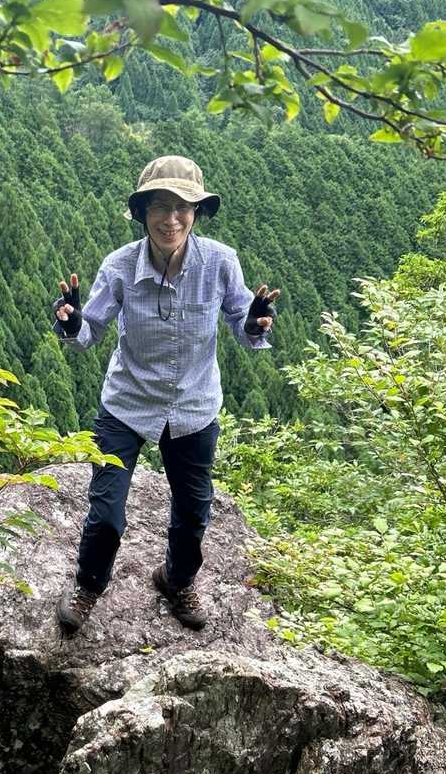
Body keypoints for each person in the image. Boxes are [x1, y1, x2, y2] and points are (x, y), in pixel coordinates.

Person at [52, 155, 278, 634]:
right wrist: (71, 323)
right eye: (160, 206)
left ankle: (176, 580)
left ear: (196, 212)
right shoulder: (119, 266)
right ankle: (89, 584)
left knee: (193, 511)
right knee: (106, 512)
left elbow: (242, 325)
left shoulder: (220, 262)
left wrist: (255, 322)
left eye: (182, 207)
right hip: (127, 403)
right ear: (142, 212)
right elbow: (90, 330)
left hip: (194, 404)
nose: (171, 218)